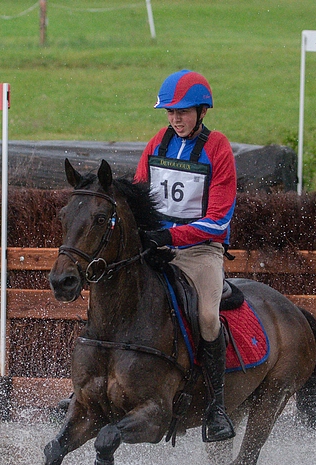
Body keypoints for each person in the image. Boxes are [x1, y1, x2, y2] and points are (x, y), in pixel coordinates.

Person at [135, 69, 237, 443]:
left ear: (201, 111)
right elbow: (138, 196)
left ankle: (217, 408)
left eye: (183, 112)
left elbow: (218, 220)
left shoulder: (218, 148)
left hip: (200, 251)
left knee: (208, 317)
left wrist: (172, 235)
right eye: (170, 112)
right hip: (159, 246)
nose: (175, 119)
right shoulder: (155, 144)